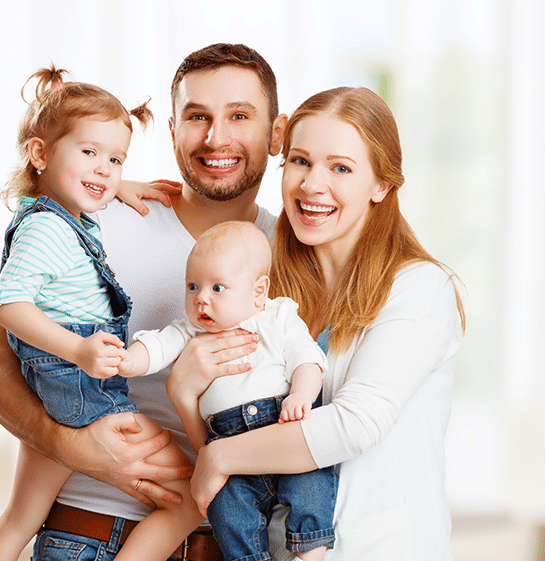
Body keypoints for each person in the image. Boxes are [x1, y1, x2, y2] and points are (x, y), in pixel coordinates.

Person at [0, 43, 287, 561]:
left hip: (234, 542)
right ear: (174, 130)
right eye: (197, 117)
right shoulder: (94, 219)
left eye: (239, 116)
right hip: (90, 530)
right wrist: (67, 444)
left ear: (277, 132)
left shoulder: (291, 251)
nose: (215, 137)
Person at [171, 87, 465, 560]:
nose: (311, 185)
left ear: (381, 185)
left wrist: (218, 455)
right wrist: (185, 398)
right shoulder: (265, 296)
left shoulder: (419, 288)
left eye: (341, 168)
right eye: (301, 161)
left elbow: (353, 424)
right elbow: (230, 437)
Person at [0, 65, 204, 561]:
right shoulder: (48, 230)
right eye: (90, 153)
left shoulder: (56, 216)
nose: (104, 169)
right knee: (191, 497)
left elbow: (79, 185)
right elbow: (6, 303)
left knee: (19, 519)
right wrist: (77, 348)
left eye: (115, 159)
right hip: (80, 392)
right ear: (40, 153)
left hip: (59, 388)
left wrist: (112, 182)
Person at [119, 220, 336, 561]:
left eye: (217, 288)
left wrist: (301, 395)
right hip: (226, 440)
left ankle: (311, 545)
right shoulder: (190, 330)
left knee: (310, 478)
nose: (201, 299)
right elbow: (158, 346)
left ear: (258, 291)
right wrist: (128, 361)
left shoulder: (278, 317)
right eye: (192, 286)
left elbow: (308, 359)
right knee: (227, 507)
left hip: (280, 425)